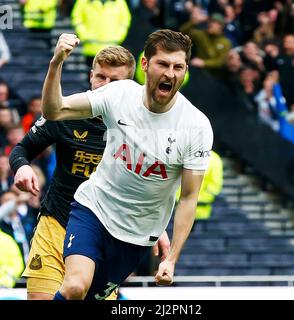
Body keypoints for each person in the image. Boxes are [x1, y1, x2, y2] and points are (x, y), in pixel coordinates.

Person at [41, 30, 213, 300]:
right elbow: (54, 110)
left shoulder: (196, 126)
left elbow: (189, 198)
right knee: (75, 287)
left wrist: (171, 259)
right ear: (145, 65)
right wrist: (56, 63)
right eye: (163, 64)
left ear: (185, 70)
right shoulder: (120, 94)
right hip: (94, 209)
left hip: (136, 235)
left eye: (178, 67)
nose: (170, 73)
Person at [10, 44, 169, 300]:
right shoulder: (66, 110)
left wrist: (157, 225)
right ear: (90, 76)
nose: (105, 85)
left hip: (103, 232)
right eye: (100, 77)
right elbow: (22, 148)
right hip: (56, 222)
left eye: (114, 80)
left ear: (128, 84)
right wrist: (23, 167)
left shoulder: (141, 126)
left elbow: (149, 181)